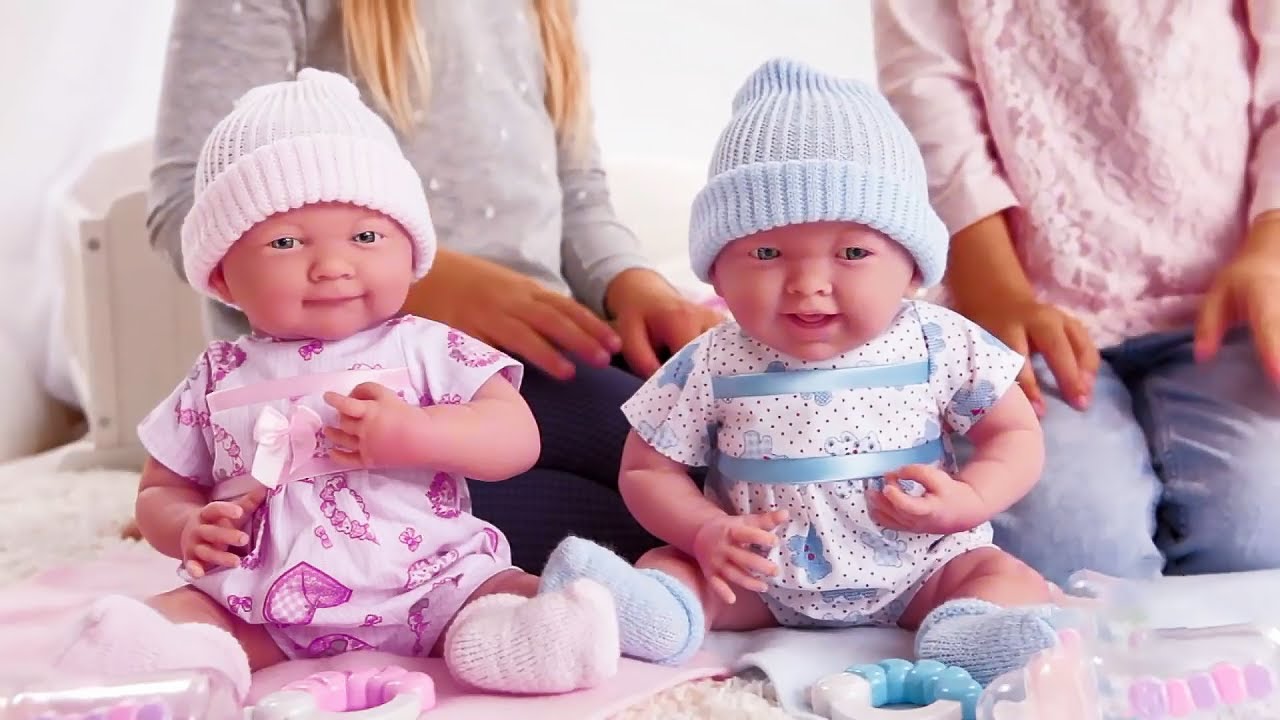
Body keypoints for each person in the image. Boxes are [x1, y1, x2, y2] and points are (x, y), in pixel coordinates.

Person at [56, 69, 620, 699]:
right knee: (192, 612)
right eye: (286, 242)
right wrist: (187, 525)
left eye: (366, 236)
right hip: (265, 602)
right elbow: (161, 487)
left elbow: (516, 437)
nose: (331, 266)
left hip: (434, 582)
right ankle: (173, 655)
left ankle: (524, 636)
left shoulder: (425, 344)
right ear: (221, 279)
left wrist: (422, 432)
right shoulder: (217, 373)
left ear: (412, 253)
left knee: (502, 592)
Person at [537, 59, 1062, 687]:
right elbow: (650, 469)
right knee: (673, 565)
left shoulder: (939, 341)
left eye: (853, 253)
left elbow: (1016, 434)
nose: (808, 284)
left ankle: (966, 631)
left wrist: (971, 500)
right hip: (759, 575)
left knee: (999, 574)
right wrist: (706, 532)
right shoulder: (710, 359)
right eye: (765, 253)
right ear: (715, 269)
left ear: (914, 267)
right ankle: (651, 612)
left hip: (922, 565)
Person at [144, 0, 721, 569]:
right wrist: (422, 276)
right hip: (352, 378)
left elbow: (580, 197)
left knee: (699, 466)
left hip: (532, 353)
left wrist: (631, 284)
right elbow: (187, 208)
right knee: (369, 524)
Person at [872, 1, 1280, 583]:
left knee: (1262, 533)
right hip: (1026, 315)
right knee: (1070, 554)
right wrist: (996, 294)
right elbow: (929, 104)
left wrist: (1270, 247)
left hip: (1227, 307)